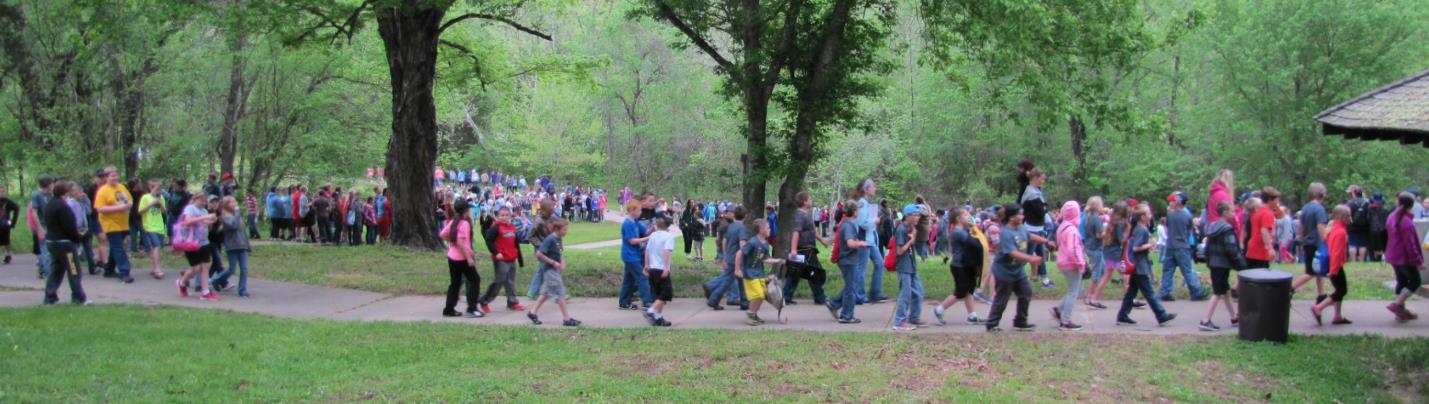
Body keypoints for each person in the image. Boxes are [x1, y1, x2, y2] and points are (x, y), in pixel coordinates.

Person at [984, 204, 1046, 332]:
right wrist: (1031, 259)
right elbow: (1012, 252)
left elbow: (1030, 237)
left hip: (1018, 270)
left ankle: (1020, 322)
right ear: (1012, 218)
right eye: (1020, 214)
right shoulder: (1006, 233)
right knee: (1002, 298)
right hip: (1004, 271)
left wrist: (1045, 241)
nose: (1023, 216)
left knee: (1026, 293)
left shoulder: (1021, 228)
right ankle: (992, 324)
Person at [1116, 205, 1177, 327]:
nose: (1151, 215)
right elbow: (1136, 247)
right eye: (1148, 213)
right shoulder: (1141, 230)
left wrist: (1150, 245)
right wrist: (1149, 245)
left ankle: (1122, 315)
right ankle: (1161, 315)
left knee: (1131, 293)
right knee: (1149, 293)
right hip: (1139, 267)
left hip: (1138, 267)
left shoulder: (1141, 228)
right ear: (1142, 217)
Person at [934, 207, 983, 325]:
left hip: (966, 265)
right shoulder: (959, 232)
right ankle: (939, 309)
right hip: (959, 266)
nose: (969, 217)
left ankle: (972, 315)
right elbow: (975, 243)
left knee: (969, 289)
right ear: (958, 219)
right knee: (960, 291)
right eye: (966, 215)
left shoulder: (964, 230)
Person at [1199, 202, 1243, 331]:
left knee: (1225, 290)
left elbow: (1207, 248)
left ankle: (1234, 317)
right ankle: (1205, 320)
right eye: (1232, 211)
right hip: (1223, 264)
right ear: (1225, 213)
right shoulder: (1227, 229)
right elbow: (1232, 249)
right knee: (1218, 292)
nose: (1234, 214)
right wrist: (1240, 263)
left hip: (1213, 262)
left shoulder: (1212, 227)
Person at [42, 181, 88, 305]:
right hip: (64, 243)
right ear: (66, 193)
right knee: (73, 269)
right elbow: (69, 226)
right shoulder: (63, 206)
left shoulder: (50, 204)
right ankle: (78, 297)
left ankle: (50, 297)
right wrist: (78, 238)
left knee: (56, 269)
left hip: (52, 241)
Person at [1159, 192, 1208, 301]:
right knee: (1187, 270)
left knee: (1168, 270)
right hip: (1182, 246)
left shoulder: (1170, 215)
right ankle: (1195, 291)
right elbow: (1190, 231)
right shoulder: (1188, 216)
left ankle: (1165, 292)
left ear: (1178, 202)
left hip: (1170, 245)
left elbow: (1168, 228)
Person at [826, 201, 869, 324]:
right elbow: (850, 243)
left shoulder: (847, 224)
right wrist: (861, 243)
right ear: (854, 212)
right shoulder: (848, 225)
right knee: (851, 289)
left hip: (848, 260)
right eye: (858, 210)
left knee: (851, 286)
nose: (859, 212)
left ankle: (834, 304)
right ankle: (846, 316)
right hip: (848, 261)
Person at [439, 199, 483, 318]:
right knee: (475, 280)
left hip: (451, 256)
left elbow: (442, 234)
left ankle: (448, 309)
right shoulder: (464, 223)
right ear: (466, 210)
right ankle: (472, 308)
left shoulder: (454, 221)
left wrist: (451, 241)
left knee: (455, 283)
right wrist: (469, 258)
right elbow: (460, 242)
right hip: (461, 258)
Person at [1310, 205, 1353, 326]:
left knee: (1339, 289)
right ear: (1342, 216)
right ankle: (1319, 307)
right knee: (1341, 291)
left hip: (1333, 265)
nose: (1350, 218)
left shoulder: (1332, 228)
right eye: (1348, 215)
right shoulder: (1340, 232)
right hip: (1335, 266)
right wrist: (1333, 270)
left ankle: (1337, 316)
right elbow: (1336, 253)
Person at [735, 219, 782, 326]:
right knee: (759, 295)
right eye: (768, 228)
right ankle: (750, 314)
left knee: (763, 295)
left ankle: (754, 314)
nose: (770, 230)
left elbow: (764, 259)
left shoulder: (765, 244)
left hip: (759, 273)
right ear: (761, 230)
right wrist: (737, 269)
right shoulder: (752, 242)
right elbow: (739, 253)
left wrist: (778, 261)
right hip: (750, 274)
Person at [1384, 192, 1423, 322]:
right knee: (1415, 281)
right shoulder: (1406, 222)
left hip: (1393, 255)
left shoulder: (1392, 217)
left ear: (1398, 203)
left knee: (1401, 281)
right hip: (1404, 257)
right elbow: (1410, 244)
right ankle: (1397, 304)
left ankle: (1400, 312)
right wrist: (1418, 261)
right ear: (1411, 205)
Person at [479, 206, 525, 313]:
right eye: (502, 215)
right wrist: (496, 252)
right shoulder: (495, 227)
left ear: (510, 216)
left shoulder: (512, 228)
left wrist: (520, 259)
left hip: (511, 258)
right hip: (501, 259)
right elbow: (489, 240)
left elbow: (516, 244)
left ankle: (512, 302)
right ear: (498, 216)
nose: (504, 217)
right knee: (499, 281)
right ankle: (484, 300)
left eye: (506, 215)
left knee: (510, 282)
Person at [174, 193, 220, 301]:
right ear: (195, 199)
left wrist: (212, 220)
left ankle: (205, 292)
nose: (203, 203)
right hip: (190, 243)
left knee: (205, 267)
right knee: (196, 268)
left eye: (205, 201)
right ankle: (181, 283)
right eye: (201, 200)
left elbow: (203, 223)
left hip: (203, 242)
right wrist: (205, 217)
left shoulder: (204, 211)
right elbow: (188, 221)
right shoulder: (190, 209)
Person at [785, 192, 828, 305]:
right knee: (815, 271)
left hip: (807, 249)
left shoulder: (805, 215)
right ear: (804, 202)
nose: (811, 200)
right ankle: (820, 297)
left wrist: (822, 240)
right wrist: (793, 249)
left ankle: (786, 297)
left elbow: (812, 231)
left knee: (796, 273)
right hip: (804, 250)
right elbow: (796, 232)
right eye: (809, 199)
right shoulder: (800, 215)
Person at [93, 166, 134, 284]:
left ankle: (109, 270)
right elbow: (100, 208)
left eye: (116, 175)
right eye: (112, 176)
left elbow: (130, 200)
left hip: (123, 223)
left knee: (116, 247)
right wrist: (119, 207)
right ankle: (124, 272)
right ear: (106, 177)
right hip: (110, 223)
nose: (115, 177)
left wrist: (128, 205)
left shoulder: (122, 188)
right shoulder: (103, 191)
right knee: (118, 247)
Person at [849, 179, 888, 304]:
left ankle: (875, 293)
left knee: (880, 263)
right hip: (863, 240)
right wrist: (875, 221)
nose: (875, 189)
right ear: (866, 189)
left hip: (870, 240)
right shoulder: (862, 203)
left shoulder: (867, 203)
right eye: (873, 187)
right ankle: (859, 296)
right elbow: (862, 223)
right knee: (862, 269)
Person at [1291, 183, 1330, 302]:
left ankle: (1321, 294)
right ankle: (1290, 288)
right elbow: (1320, 226)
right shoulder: (1319, 209)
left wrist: (1302, 240)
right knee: (1312, 272)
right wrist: (1326, 240)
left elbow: (1302, 227)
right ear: (1321, 194)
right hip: (1316, 243)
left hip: (1307, 242)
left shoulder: (1305, 208)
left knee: (1319, 270)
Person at [705, 206, 748, 310]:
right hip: (737, 259)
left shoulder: (731, 226)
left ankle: (745, 302)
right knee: (727, 281)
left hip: (729, 257)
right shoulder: (742, 228)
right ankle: (713, 298)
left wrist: (725, 256)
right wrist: (746, 253)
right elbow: (742, 243)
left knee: (741, 279)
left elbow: (724, 241)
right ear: (745, 216)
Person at [1018, 167, 1055, 288]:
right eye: (1041, 179)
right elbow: (1041, 211)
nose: (1043, 181)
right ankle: (1011, 276)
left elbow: (1044, 208)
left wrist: (1044, 208)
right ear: (1035, 178)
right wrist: (1044, 208)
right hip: (1031, 229)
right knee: (1026, 255)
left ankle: (1045, 279)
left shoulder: (1037, 191)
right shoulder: (1032, 193)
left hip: (1038, 228)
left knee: (1040, 254)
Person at [1053, 201, 1086, 331]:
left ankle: (1059, 309)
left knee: (1074, 289)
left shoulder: (1062, 227)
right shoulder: (1072, 230)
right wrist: (1080, 263)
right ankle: (1065, 321)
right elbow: (1073, 249)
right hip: (1071, 263)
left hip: (1063, 261)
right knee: (1074, 291)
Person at [210, 197, 253, 298]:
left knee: (244, 269)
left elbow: (243, 232)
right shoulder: (224, 218)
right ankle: (215, 280)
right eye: (232, 202)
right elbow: (233, 226)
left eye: (235, 201)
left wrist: (248, 246)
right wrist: (237, 213)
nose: (235, 204)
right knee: (231, 269)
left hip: (242, 246)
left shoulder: (237, 216)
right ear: (226, 204)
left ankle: (242, 290)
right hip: (232, 246)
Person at [892, 205, 925, 331]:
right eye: (916, 215)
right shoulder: (901, 229)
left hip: (911, 265)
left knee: (919, 292)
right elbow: (899, 251)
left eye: (919, 215)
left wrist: (914, 238)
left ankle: (914, 317)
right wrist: (911, 241)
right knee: (905, 294)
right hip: (904, 266)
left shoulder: (910, 228)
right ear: (908, 215)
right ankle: (899, 321)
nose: (918, 217)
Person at [618, 200, 654, 311]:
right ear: (631, 210)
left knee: (628, 279)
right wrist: (647, 239)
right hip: (629, 255)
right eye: (639, 210)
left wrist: (654, 228)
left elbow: (646, 231)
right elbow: (632, 241)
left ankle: (624, 302)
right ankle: (646, 301)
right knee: (642, 276)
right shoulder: (628, 224)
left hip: (634, 255)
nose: (640, 213)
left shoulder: (635, 222)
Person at [643, 217, 676, 327]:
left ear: (657, 225)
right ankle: (651, 311)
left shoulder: (653, 235)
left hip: (652, 268)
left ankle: (658, 317)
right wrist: (666, 268)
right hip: (661, 269)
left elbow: (647, 251)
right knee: (666, 293)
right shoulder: (669, 236)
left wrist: (646, 265)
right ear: (668, 226)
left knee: (658, 295)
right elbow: (667, 252)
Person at [1080, 197, 1107, 309]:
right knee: (1097, 271)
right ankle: (1090, 296)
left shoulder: (1088, 217)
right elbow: (1099, 235)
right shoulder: (1096, 219)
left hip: (1090, 246)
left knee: (1102, 270)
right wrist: (1108, 231)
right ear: (1097, 206)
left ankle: (1093, 294)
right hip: (1096, 247)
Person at [1244, 188, 1281, 269]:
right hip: (1260, 250)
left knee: (1249, 274)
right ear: (1270, 200)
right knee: (1260, 277)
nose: (1278, 203)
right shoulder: (1267, 213)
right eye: (1276, 200)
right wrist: (1270, 248)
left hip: (1252, 248)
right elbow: (1264, 230)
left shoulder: (1257, 211)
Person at [137, 180, 166, 279]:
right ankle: (157, 269)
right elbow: (140, 211)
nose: (158, 190)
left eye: (159, 188)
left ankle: (154, 268)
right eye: (156, 188)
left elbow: (164, 211)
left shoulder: (161, 197)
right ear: (150, 188)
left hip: (160, 226)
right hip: (149, 226)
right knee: (156, 246)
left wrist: (160, 203)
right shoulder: (146, 197)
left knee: (156, 247)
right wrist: (151, 203)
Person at [1346, 185, 1371, 262]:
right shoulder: (1367, 202)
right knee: (1362, 244)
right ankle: (1362, 260)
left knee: (1352, 244)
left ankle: (1353, 261)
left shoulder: (1350, 203)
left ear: (1354, 193)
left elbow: (1347, 214)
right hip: (1365, 226)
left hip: (1352, 226)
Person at [0, 185, 19, 265]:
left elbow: (16, 208)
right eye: (0, 191)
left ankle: (8, 254)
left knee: (6, 240)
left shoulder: (7, 201)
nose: (1, 193)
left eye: (3, 191)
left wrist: (13, 222)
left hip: (5, 223)